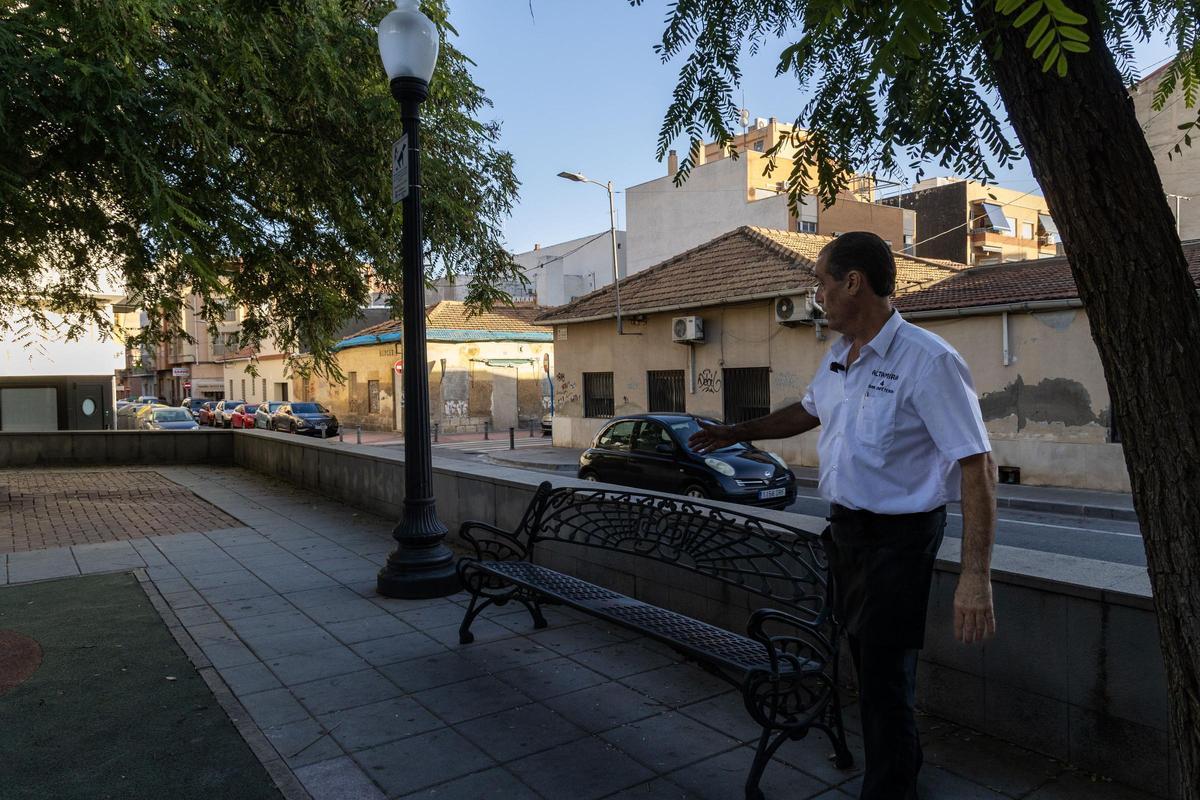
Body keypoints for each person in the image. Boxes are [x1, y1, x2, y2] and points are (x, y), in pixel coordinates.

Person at [689, 231, 997, 800]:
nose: (818, 296)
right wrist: (736, 432)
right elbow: (805, 413)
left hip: (900, 540)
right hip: (848, 534)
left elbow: (978, 467)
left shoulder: (928, 362)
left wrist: (976, 576)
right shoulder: (838, 357)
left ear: (853, 282)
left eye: (823, 284)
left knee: (884, 680)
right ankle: (904, 765)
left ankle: (888, 789)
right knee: (867, 666)